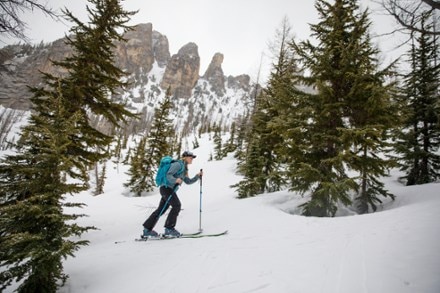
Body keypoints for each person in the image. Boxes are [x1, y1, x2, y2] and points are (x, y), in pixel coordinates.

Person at [142, 151, 203, 238]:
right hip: (166, 188)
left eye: (192, 157)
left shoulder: (184, 169)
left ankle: (147, 229)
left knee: (161, 210)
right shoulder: (178, 164)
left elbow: (188, 181)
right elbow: (168, 175)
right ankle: (169, 229)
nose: (192, 159)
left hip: (169, 190)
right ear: (185, 157)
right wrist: (175, 180)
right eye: (190, 157)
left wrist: (197, 176)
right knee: (177, 205)